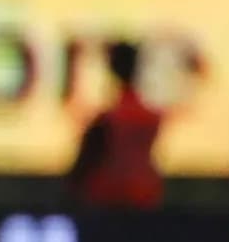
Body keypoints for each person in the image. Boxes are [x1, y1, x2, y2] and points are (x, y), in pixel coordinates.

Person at [65, 40, 165, 209]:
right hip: (145, 198)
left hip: (108, 202)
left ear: (112, 69)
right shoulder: (152, 116)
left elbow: (83, 167)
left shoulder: (109, 119)